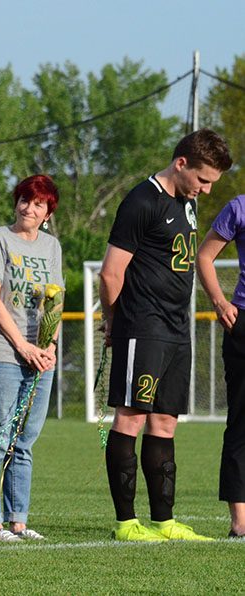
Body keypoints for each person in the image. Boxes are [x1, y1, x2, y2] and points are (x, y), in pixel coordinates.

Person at [100, 129, 232, 542]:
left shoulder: (186, 204)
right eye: (203, 180)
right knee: (132, 417)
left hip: (177, 329)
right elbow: (110, 271)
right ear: (181, 164)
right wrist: (112, 321)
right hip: (142, 326)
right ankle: (126, 523)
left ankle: (164, 521)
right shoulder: (141, 200)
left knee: (165, 423)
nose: (206, 190)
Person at [0, 174, 62, 541]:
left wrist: (50, 345)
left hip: (40, 353)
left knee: (25, 440)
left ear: (47, 213)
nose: (28, 207)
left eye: (38, 203)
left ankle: (18, 521)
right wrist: (22, 346)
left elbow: (56, 298)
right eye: (24, 199)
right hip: (3, 351)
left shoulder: (51, 246)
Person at [196, 195, 245, 539]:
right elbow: (204, 256)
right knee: (242, 422)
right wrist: (218, 300)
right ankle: (240, 521)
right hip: (243, 324)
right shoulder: (239, 207)